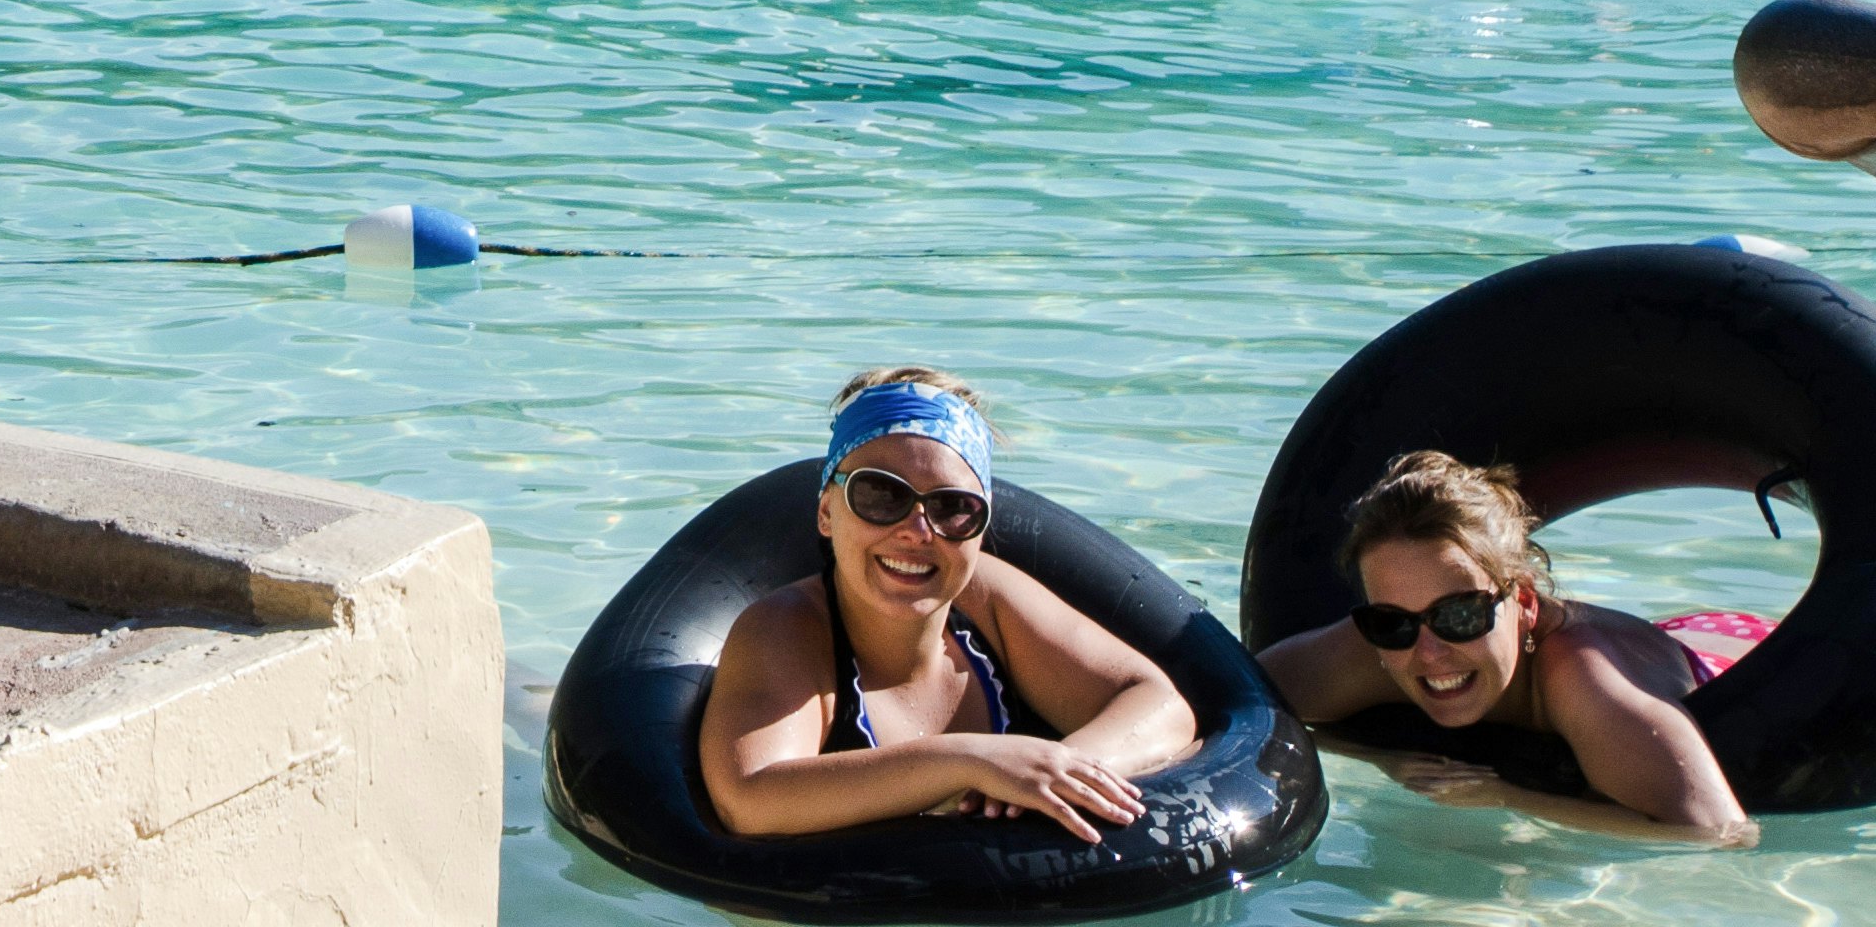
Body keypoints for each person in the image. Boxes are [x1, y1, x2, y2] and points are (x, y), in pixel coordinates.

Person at [696, 368, 1200, 841]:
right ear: (828, 512)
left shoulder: (989, 600)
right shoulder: (787, 628)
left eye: (952, 507)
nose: (916, 532)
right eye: (881, 496)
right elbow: (749, 799)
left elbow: (1160, 705)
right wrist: (970, 760)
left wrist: (1055, 768)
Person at [1260, 450, 1756, 845]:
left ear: (1521, 598)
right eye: (1392, 622)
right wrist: (1374, 757)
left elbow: (1719, 833)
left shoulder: (1586, 677)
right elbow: (1234, 705)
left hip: (1730, 652)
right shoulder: (1373, 645)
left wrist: (1506, 797)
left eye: (1460, 615)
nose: (1428, 653)